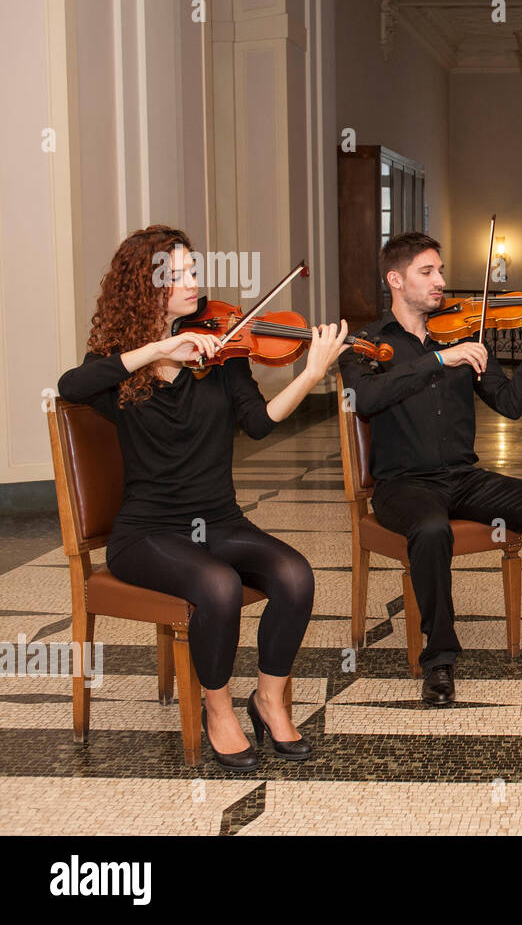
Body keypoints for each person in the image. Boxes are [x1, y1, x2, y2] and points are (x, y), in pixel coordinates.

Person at [58, 224, 350, 771]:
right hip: (147, 532)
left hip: (220, 519)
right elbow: (70, 386)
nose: (194, 282)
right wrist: (158, 349)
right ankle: (217, 710)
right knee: (219, 585)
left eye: (194, 270)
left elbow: (259, 423)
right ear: (145, 285)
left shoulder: (223, 350)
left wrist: (312, 372)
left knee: (296, 574)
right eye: (179, 274)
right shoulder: (117, 364)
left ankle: (268, 699)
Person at [339, 232, 522, 707]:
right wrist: (436, 360)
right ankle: (439, 659)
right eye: (427, 272)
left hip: (462, 479)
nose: (440, 281)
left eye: (440, 271)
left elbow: (512, 404)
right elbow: (363, 397)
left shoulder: (463, 335)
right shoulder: (366, 343)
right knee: (430, 529)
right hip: (402, 485)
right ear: (395, 280)